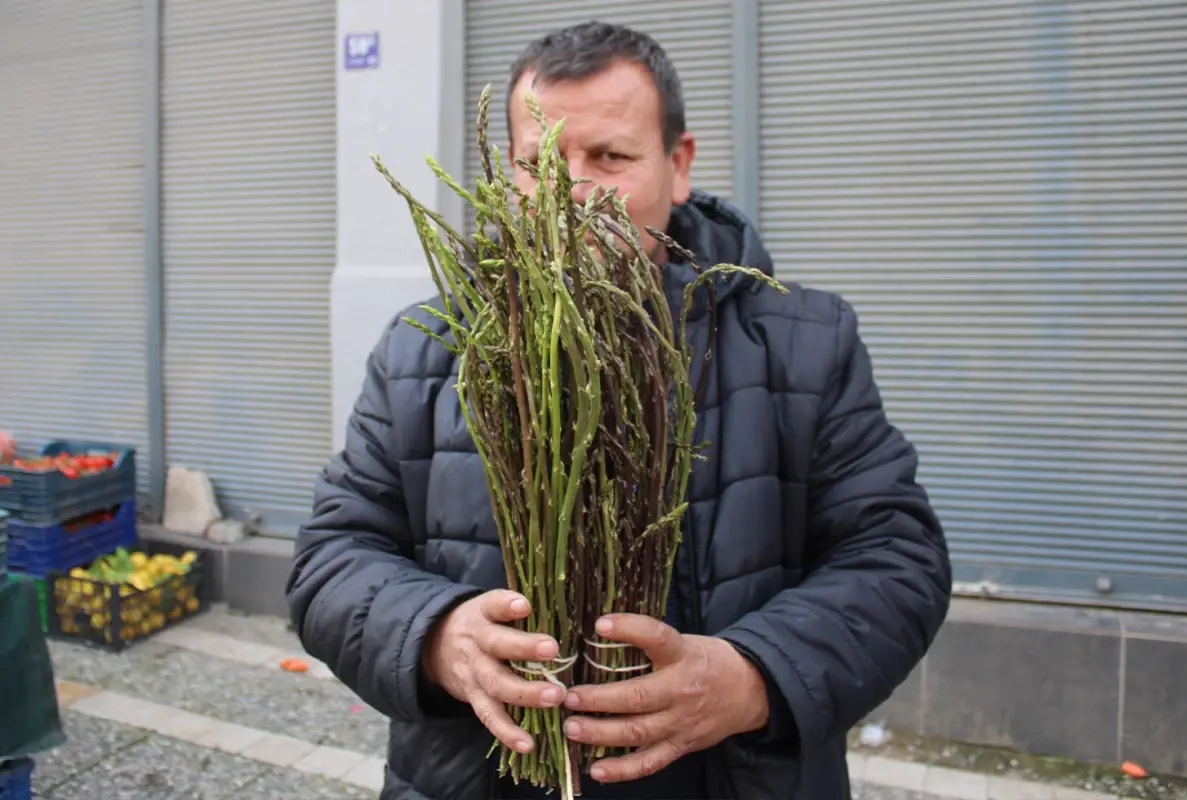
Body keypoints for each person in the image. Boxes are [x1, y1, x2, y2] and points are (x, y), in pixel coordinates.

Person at [287, 20, 951, 800]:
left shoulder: (804, 343)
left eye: (609, 157)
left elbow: (897, 559)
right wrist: (436, 638)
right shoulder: (423, 349)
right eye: (542, 164)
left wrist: (752, 676)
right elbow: (332, 555)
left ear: (678, 166)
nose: (572, 195)